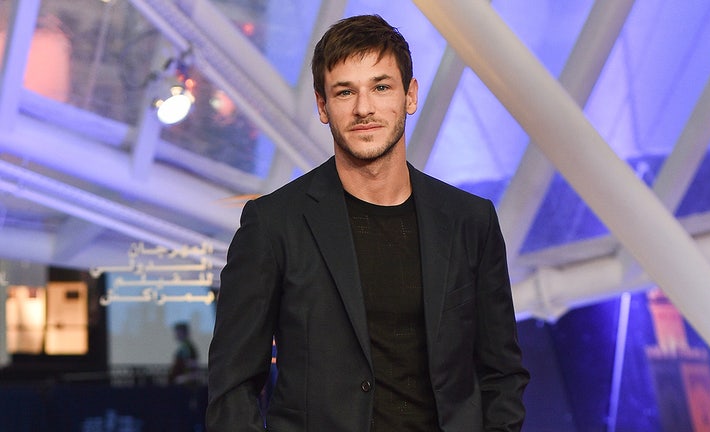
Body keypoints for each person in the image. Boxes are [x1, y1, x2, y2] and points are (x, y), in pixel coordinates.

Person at [206, 14, 529, 431]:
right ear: (323, 106)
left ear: (410, 96)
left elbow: (502, 371)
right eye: (345, 92)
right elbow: (232, 385)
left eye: (381, 86)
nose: (364, 108)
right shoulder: (272, 225)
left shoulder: (470, 220)